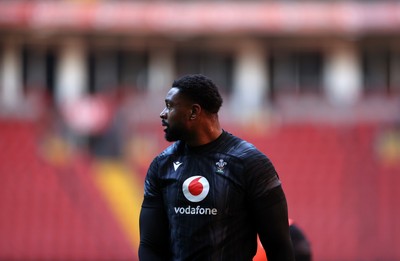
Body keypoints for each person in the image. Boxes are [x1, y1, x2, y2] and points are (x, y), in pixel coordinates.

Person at [138, 74, 295, 261]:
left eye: (170, 106)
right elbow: (150, 245)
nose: (163, 113)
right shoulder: (161, 165)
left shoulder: (251, 163)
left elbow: (279, 247)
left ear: (194, 112)